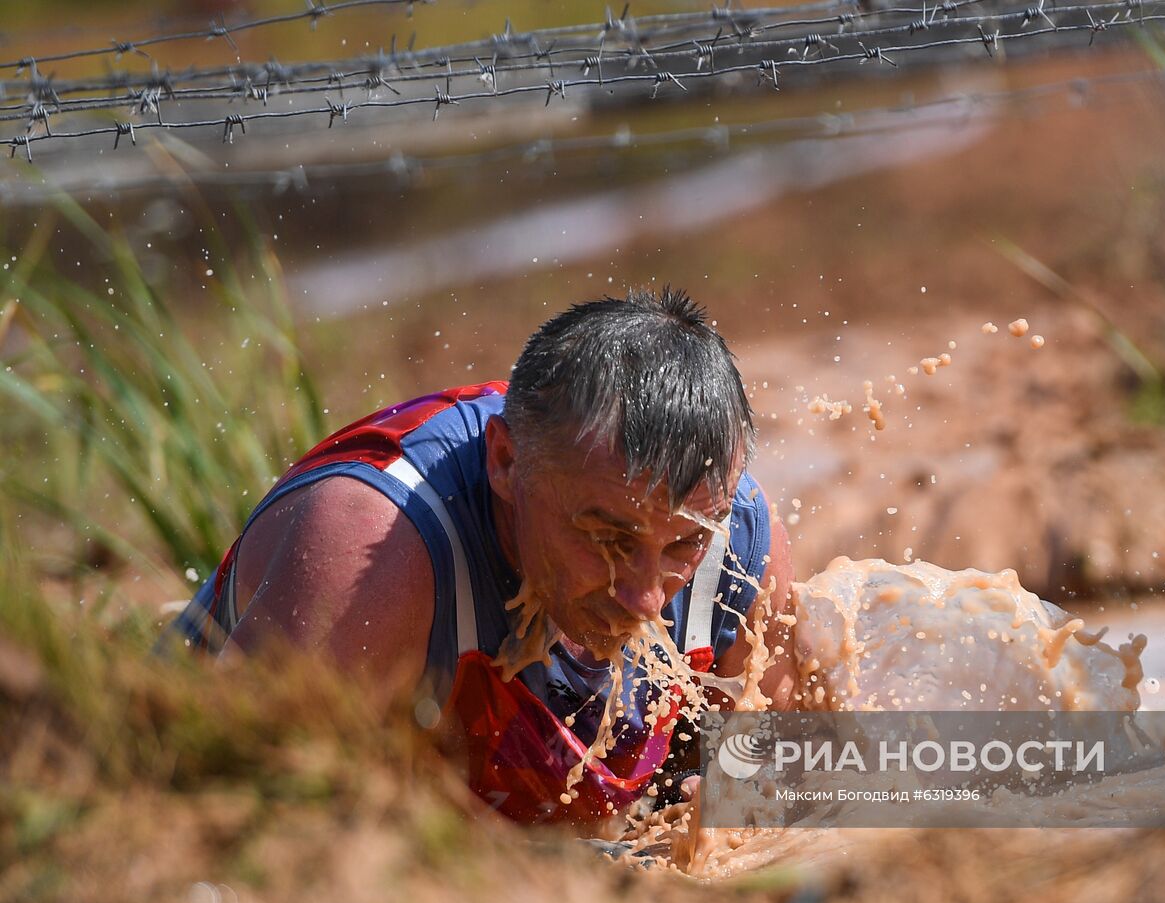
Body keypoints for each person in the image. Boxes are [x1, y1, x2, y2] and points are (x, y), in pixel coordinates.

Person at [170, 287, 796, 824]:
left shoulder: (734, 537)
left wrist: (747, 801)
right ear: (504, 461)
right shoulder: (371, 557)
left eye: (682, 547)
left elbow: (831, 775)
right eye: (610, 540)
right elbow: (213, 814)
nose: (646, 597)